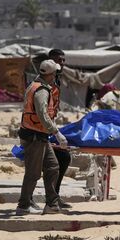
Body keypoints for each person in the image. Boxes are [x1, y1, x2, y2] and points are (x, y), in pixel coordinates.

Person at [16, 59, 68, 215]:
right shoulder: (42, 90)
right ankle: (23, 205)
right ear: (51, 74)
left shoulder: (35, 85)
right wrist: (56, 132)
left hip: (39, 136)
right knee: (33, 173)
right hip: (34, 136)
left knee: (52, 167)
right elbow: (42, 114)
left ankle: (51, 204)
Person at [48, 49, 72, 209]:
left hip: (49, 126)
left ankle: (54, 197)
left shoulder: (56, 79)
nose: (62, 63)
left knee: (63, 159)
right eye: (58, 60)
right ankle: (26, 201)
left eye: (63, 60)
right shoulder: (45, 81)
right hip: (40, 129)